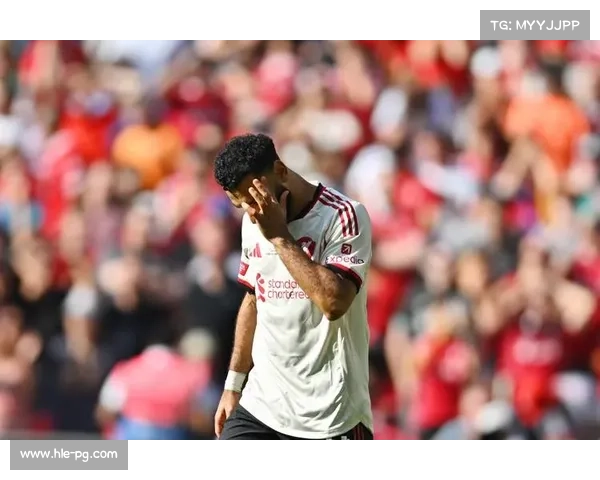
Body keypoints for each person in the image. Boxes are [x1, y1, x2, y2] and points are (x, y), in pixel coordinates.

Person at [213, 133, 373, 440]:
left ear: (280, 171)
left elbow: (334, 303)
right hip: (263, 404)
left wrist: (280, 237)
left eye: (254, 199)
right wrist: (233, 385)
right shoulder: (254, 219)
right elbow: (254, 298)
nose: (251, 212)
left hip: (329, 414)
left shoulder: (343, 215)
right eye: (240, 204)